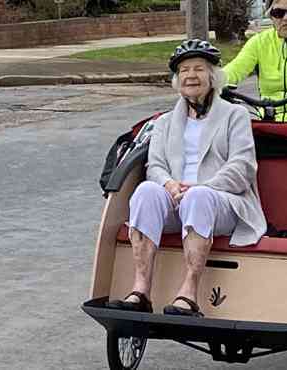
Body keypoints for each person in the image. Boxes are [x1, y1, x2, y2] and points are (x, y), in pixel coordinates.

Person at [109, 39, 267, 317]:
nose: (190, 75)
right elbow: (155, 165)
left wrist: (201, 186)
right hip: (177, 198)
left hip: (223, 202)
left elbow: (242, 167)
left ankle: (189, 292)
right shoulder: (165, 122)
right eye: (183, 70)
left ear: (213, 77)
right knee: (146, 190)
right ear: (176, 79)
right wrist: (169, 185)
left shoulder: (235, 115)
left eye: (198, 69)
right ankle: (141, 290)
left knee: (198, 196)